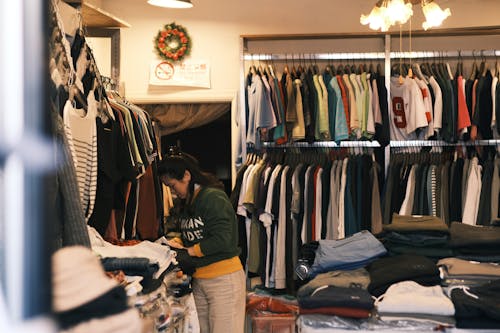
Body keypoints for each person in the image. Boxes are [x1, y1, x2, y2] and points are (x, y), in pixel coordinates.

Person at [157, 147, 246, 333]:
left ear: (187, 175)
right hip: (200, 280)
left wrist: (189, 251)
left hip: (224, 280)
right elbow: (194, 234)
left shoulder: (212, 198)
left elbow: (224, 239)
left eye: (173, 186)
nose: (172, 192)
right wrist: (179, 244)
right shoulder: (189, 202)